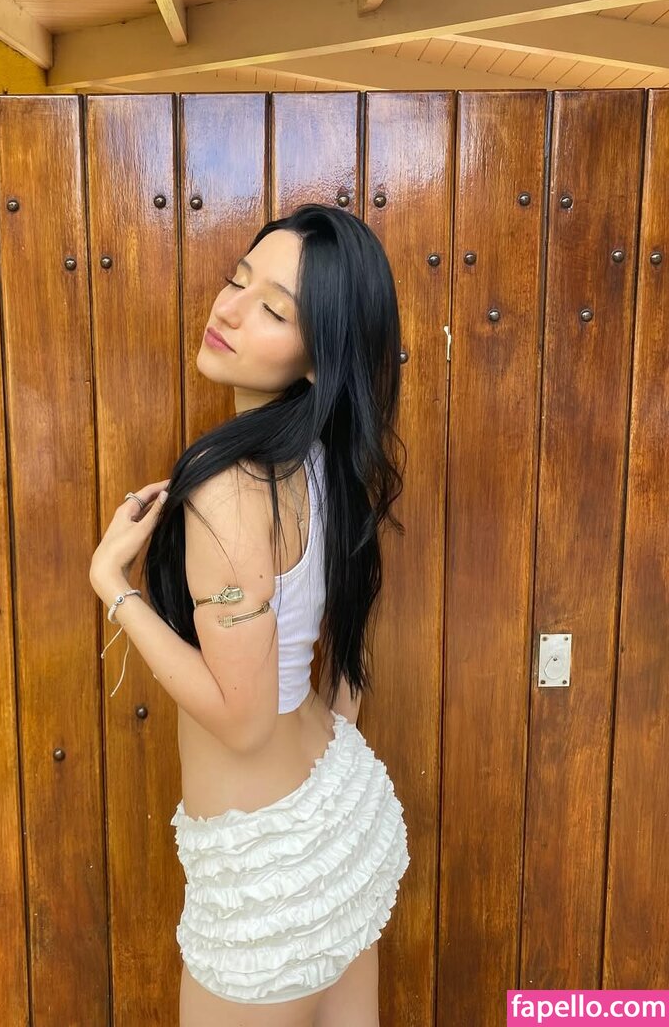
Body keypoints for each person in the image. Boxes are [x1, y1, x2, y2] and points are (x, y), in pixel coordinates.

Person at [89, 202, 410, 1026]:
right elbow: (341, 669)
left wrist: (114, 586)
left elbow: (241, 724)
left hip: (269, 869)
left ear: (318, 359)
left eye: (272, 310)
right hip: (337, 808)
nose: (228, 311)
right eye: (238, 281)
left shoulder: (228, 491)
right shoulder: (323, 463)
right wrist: (324, 799)